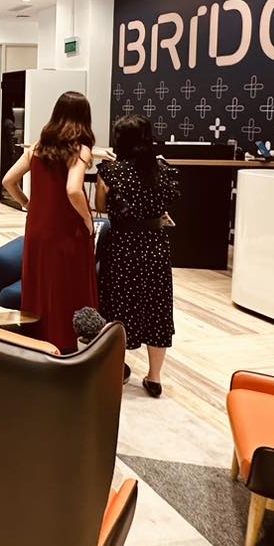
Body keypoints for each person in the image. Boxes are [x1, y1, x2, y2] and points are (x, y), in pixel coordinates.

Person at [2, 91, 98, 353]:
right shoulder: (80, 149)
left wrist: (27, 203)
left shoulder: (36, 147)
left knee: (40, 283)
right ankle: (68, 343)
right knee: (69, 285)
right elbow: (73, 189)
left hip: (38, 227)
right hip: (66, 229)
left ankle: (37, 341)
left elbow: (8, 181)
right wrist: (87, 218)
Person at [96, 114, 180, 397]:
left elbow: (100, 207)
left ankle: (118, 367)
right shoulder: (163, 170)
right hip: (155, 245)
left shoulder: (110, 172)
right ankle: (154, 377)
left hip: (122, 245)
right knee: (157, 306)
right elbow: (166, 205)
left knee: (118, 305)